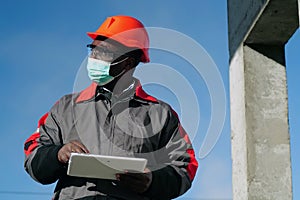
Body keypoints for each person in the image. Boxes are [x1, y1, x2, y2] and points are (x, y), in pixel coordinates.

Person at [24, 15, 198, 200]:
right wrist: (57, 155)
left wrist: (152, 181)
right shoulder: (66, 108)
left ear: (128, 61)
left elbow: (185, 166)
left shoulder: (160, 114)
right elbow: (33, 153)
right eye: (93, 49)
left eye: (104, 52)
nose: (94, 57)